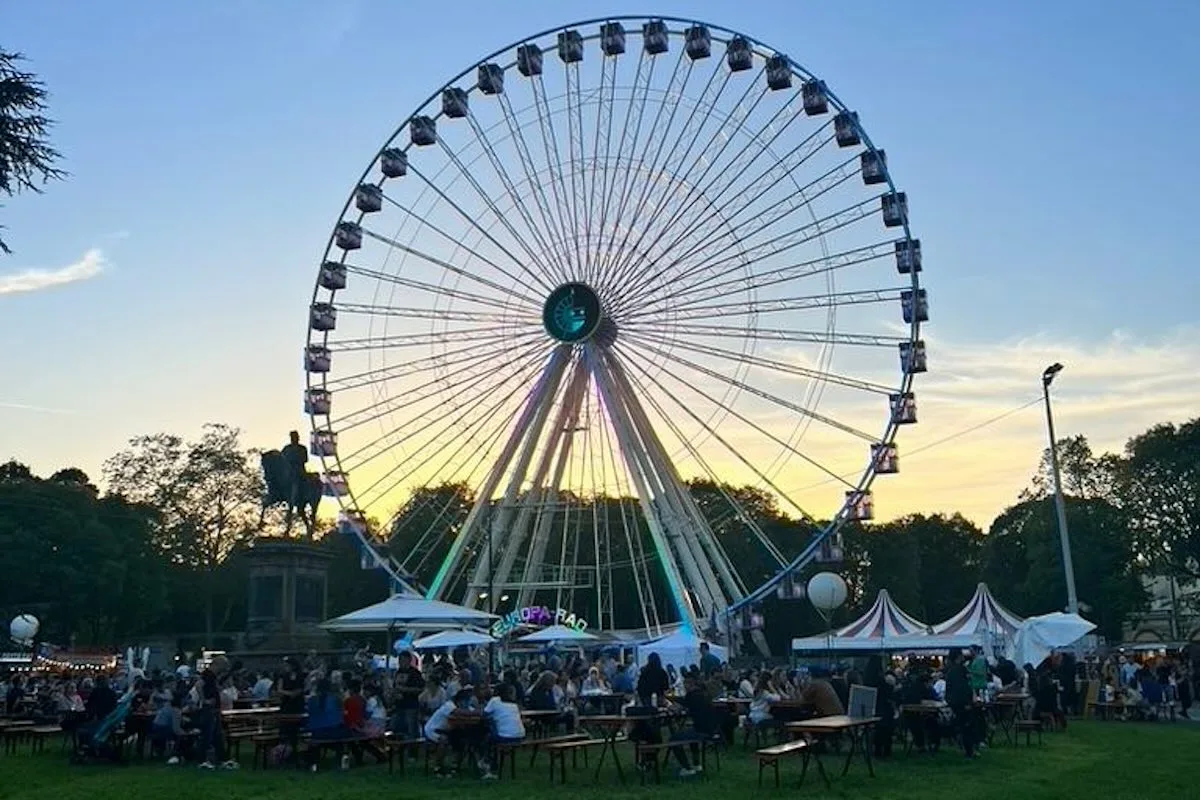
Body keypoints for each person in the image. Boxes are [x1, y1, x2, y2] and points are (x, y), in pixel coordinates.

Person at [481, 683, 525, 779]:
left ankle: (487, 761)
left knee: (487, 737)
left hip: (504, 736)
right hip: (519, 736)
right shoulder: (514, 705)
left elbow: (484, 714)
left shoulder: (495, 701)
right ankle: (491, 761)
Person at [944, 649, 978, 759]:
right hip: (962, 702)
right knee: (968, 726)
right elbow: (963, 687)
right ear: (958, 657)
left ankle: (965, 747)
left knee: (962, 725)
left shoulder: (949, 671)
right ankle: (969, 751)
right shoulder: (961, 670)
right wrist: (968, 701)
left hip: (953, 702)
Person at [281, 430, 309, 505]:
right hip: (288, 471)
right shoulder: (287, 448)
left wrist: (295, 461)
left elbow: (305, 459)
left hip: (299, 471)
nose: (294, 439)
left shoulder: (302, 448)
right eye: (292, 437)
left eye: (295, 437)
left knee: (296, 483)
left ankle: (293, 501)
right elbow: (281, 459)